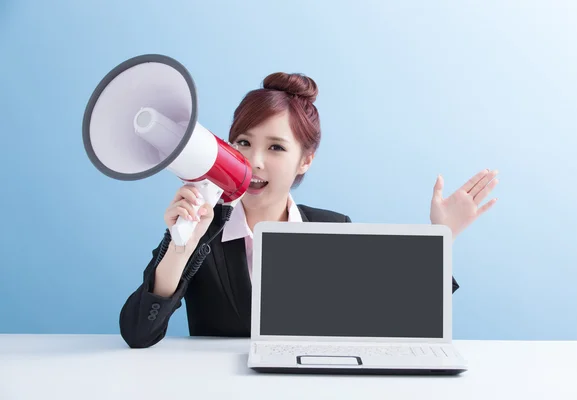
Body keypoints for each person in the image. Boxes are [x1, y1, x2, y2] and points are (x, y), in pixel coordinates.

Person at [119, 72, 499, 349]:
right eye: (244, 142)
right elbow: (138, 332)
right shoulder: (204, 226)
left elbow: (398, 319)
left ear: (306, 161)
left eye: (276, 148)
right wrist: (181, 247)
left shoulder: (332, 228)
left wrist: (442, 238)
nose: (253, 162)